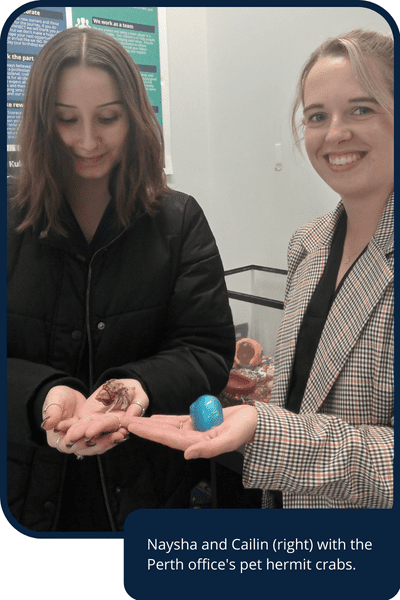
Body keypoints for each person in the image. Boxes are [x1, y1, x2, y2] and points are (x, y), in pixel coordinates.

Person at [123, 29, 394, 509]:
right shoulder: (307, 245)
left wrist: (266, 432)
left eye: (361, 108)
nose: (335, 134)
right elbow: (303, 395)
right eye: (317, 116)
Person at [7, 26, 236, 532]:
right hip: (23, 489)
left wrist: (138, 384)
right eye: (67, 120)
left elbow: (208, 349)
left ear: (135, 116)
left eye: (108, 118)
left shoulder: (178, 221)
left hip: (145, 488)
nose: (87, 141)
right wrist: (40, 396)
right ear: (43, 123)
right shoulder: (10, 218)